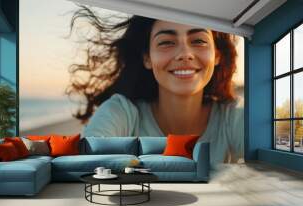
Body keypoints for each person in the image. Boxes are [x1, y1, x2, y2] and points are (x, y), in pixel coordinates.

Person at [66, 6, 244, 166]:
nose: (185, 54)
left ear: (217, 55)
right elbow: (85, 164)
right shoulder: (121, 113)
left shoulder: (233, 117)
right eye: (166, 42)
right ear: (147, 58)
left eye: (198, 41)